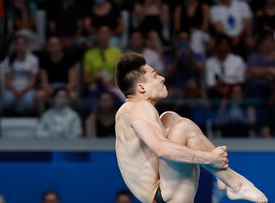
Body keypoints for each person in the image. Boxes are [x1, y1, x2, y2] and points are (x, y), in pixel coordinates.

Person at [114, 53, 267, 203]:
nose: (162, 78)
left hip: (163, 190)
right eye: (155, 76)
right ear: (141, 88)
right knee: (183, 127)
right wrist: (210, 159)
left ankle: (226, 179)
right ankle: (232, 182)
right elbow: (162, 150)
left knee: (170, 117)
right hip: (162, 196)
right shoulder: (136, 108)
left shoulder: (133, 110)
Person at [1, 34, 39, 114]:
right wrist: (15, 91)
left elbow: (33, 81)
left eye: (23, 44)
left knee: (28, 102)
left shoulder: (33, 60)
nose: (20, 47)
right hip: (13, 89)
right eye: (18, 44)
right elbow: (7, 81)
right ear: (15, 46)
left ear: (26, 46)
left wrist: (23, 91)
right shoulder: (9, 60)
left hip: (27, 89)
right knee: (7, 101)